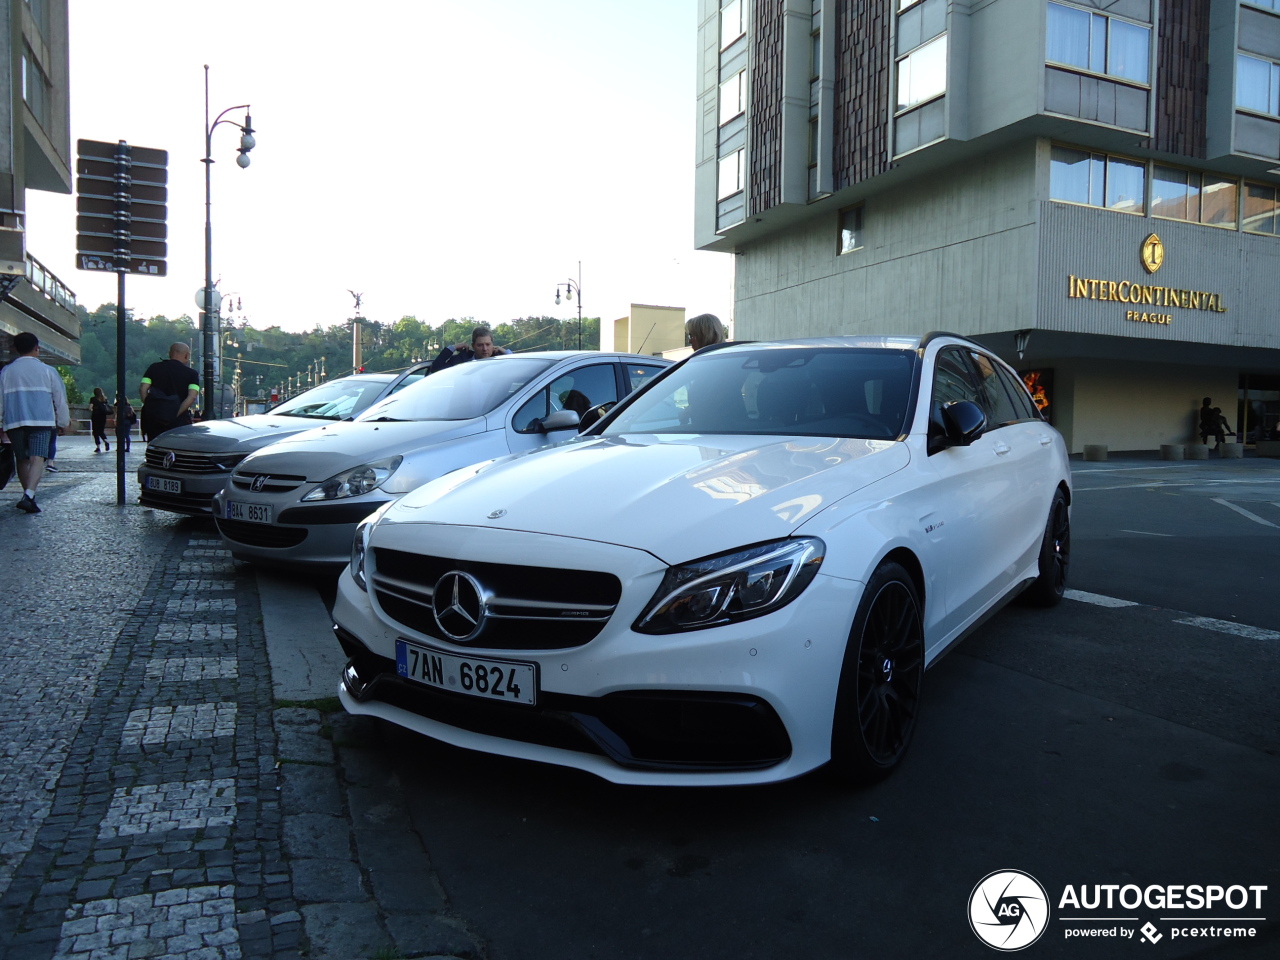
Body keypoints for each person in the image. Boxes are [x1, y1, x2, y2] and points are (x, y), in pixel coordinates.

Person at [0, 331, 70, 513]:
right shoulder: (48, 371)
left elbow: (0, 400)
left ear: (15, 349)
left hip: (15, 421)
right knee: (37, 457)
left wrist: (1, 422)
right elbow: (59, 398)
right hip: (41, 420)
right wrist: (63, 421)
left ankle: (28, 494)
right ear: (37, 348)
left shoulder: (6, 372)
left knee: (22, 458)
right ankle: (29, 495)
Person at [140, 342, 200, 440]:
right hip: (179, 421)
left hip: (155, 420)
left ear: (170, 353)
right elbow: (192, 397)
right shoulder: (192, 374)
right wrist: (174, 414)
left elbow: (143, 389)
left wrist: (152, 409)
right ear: (186, 355)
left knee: (155, 447)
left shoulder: (154, 368)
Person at [428, 326, 510, 373]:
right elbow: (436, 368)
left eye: (488, 344)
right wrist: (453, 347)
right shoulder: (462, 360)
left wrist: (506, 352)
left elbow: (521, 371)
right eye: (480, 345)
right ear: (473, 346)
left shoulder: (500, 362)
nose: (485, 349)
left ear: (493, 345)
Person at [90, 387, 111, 452]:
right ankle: (106, 441)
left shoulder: (93, 399)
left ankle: (98, 447)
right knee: (101, 431)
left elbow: (90, 407)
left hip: (95, 417)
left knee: (96, 432)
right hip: (103, 416)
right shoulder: (104, 399)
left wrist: (93, 410)